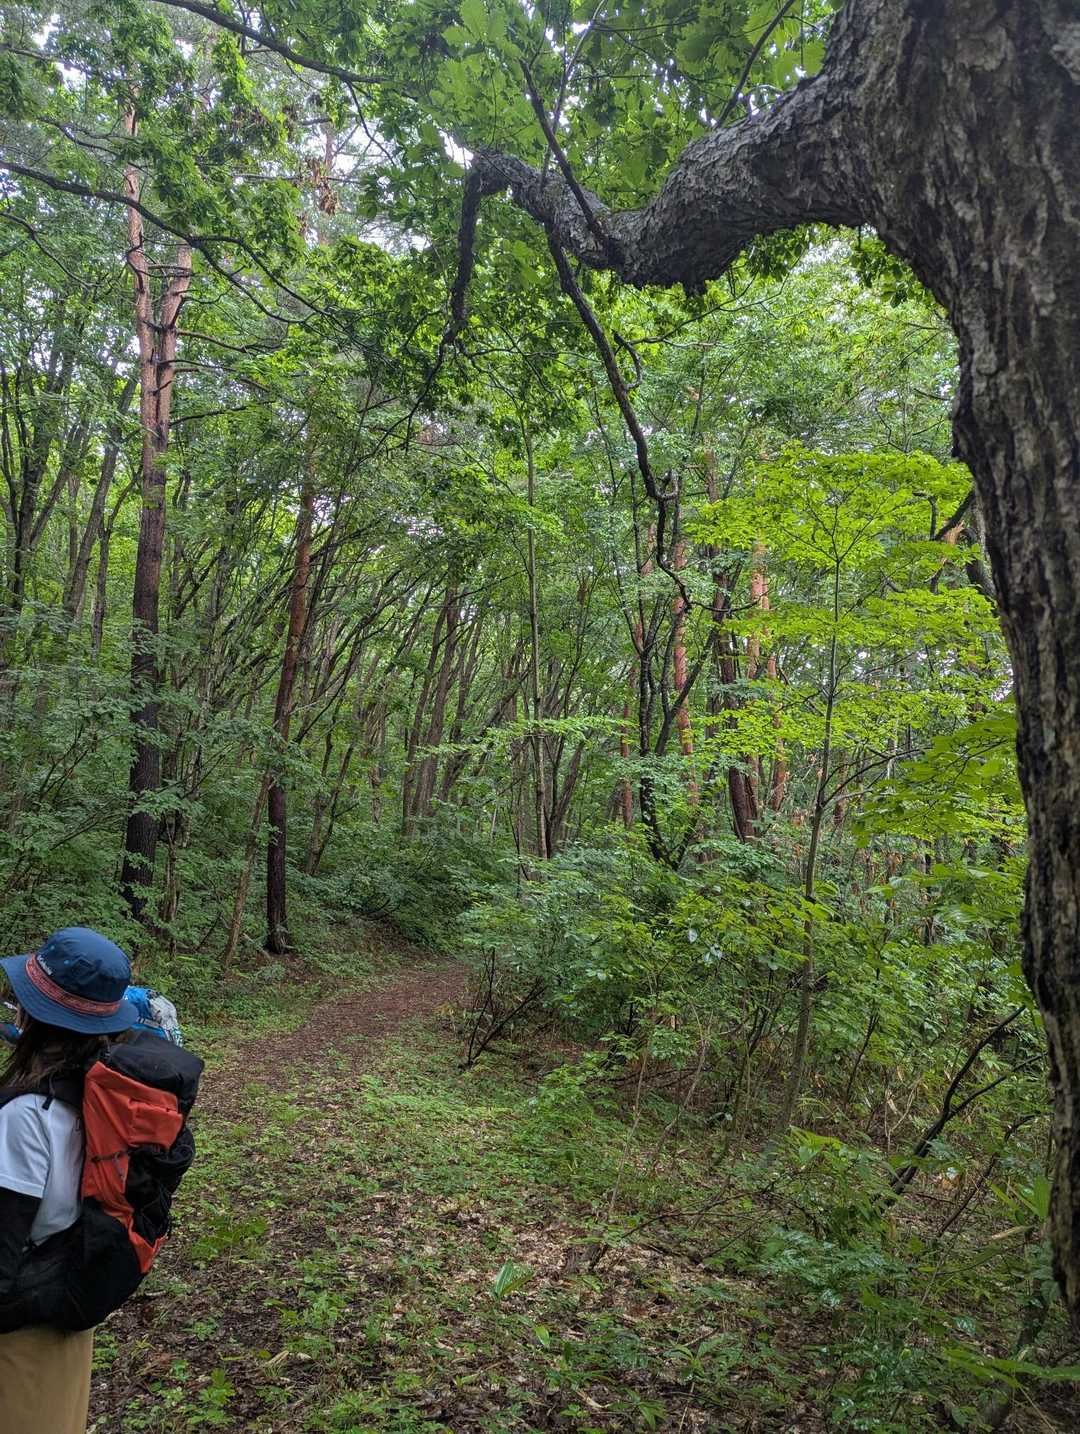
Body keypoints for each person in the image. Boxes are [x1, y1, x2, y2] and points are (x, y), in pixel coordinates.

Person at [0, 927, 138, 1434]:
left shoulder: (25, 1116)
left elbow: (4, 1236)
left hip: (18, 1334)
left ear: (36, 1014)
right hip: (64, 1302)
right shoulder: (102, 1096)